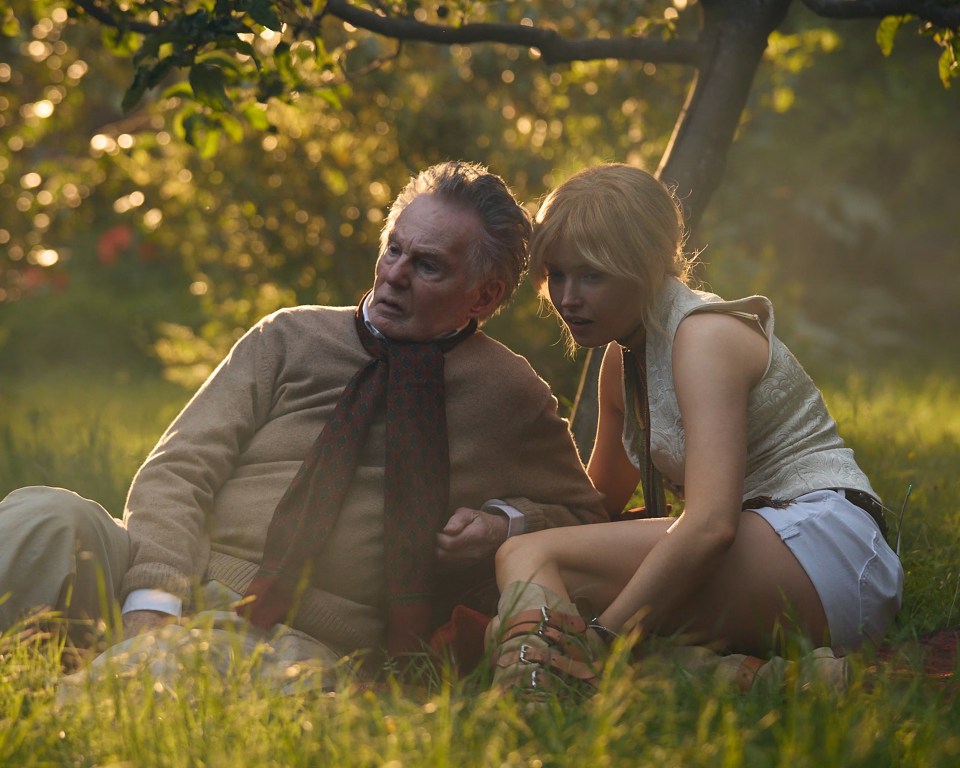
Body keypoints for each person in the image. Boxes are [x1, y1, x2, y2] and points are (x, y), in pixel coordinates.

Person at [0, 161, 606, 688]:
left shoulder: (509, 393)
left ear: (483, 296)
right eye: (393, 248)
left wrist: (503, 526)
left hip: (290, 630)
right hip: (177, 573)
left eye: (427, 266)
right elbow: (179, 471)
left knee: (161, 676)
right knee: (43, 517)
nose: (394, 274)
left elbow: (584, 519)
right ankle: (120, 647)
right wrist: (153, 603)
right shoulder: (288, 335)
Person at [487, 163, 903, 693]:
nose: (568, 297)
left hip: (827, 552)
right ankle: (774, 682)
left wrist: (606, 639)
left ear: (645, 267)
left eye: (592, 275)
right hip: (770, 561)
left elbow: (710, 526)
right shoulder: (622, 363)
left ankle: (534, 709)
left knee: (531, 571)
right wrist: (499, 515)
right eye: (558, 274)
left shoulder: (704, 337)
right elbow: (594, 509)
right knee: (523, 622)